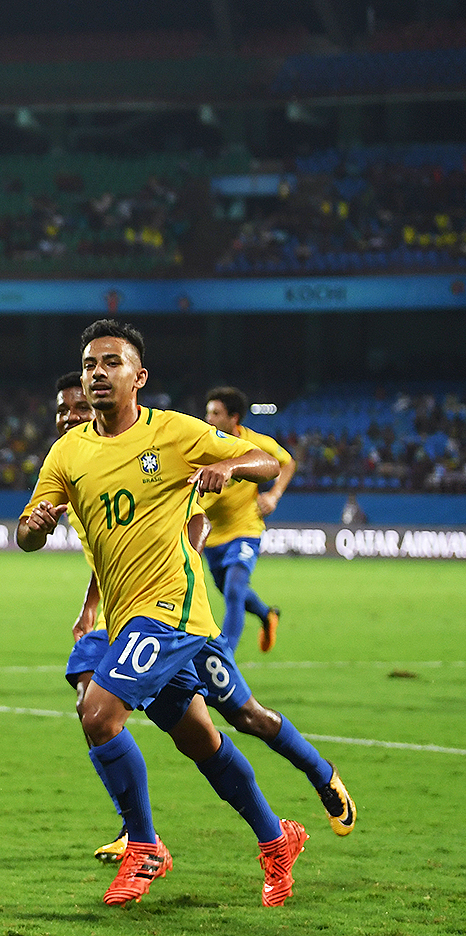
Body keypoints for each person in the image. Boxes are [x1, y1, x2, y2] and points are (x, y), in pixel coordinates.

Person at [19, 319, 306, 907]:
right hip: (129, 618)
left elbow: (267, 463)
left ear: (138, 377)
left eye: (111, 364)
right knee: (201, 741)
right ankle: (277, 838)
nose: (97, 373)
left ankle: (144, 846)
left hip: (169, 610)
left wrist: (232, 467)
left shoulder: (174, 432)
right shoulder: (66, 451)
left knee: (97, 714)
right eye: (90, 365)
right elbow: (26, 532)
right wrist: (35, 526)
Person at [49, 373, 356, 867]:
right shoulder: (74, 468)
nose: (69, 418)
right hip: (122, 614)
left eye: (76, 409)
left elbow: (200, 513)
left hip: (176, 610)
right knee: (90, 699)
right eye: (62, 412)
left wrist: (174, 572)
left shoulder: (167, 447)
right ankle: (138, 833)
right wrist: (89, 606)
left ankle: (321, 774)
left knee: (244, 715)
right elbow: (106, 553)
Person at [201, 386, 295, 652]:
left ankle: (224, 656)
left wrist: (274, 495)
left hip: (246, 529)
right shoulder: (202, 443)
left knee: (233, 589)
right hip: (211, 536)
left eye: (216, 413)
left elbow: (287, 463)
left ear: (234, 418)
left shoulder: (256, 444)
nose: (209, 419)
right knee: (232, 591)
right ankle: (267, 614)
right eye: (208, 412)